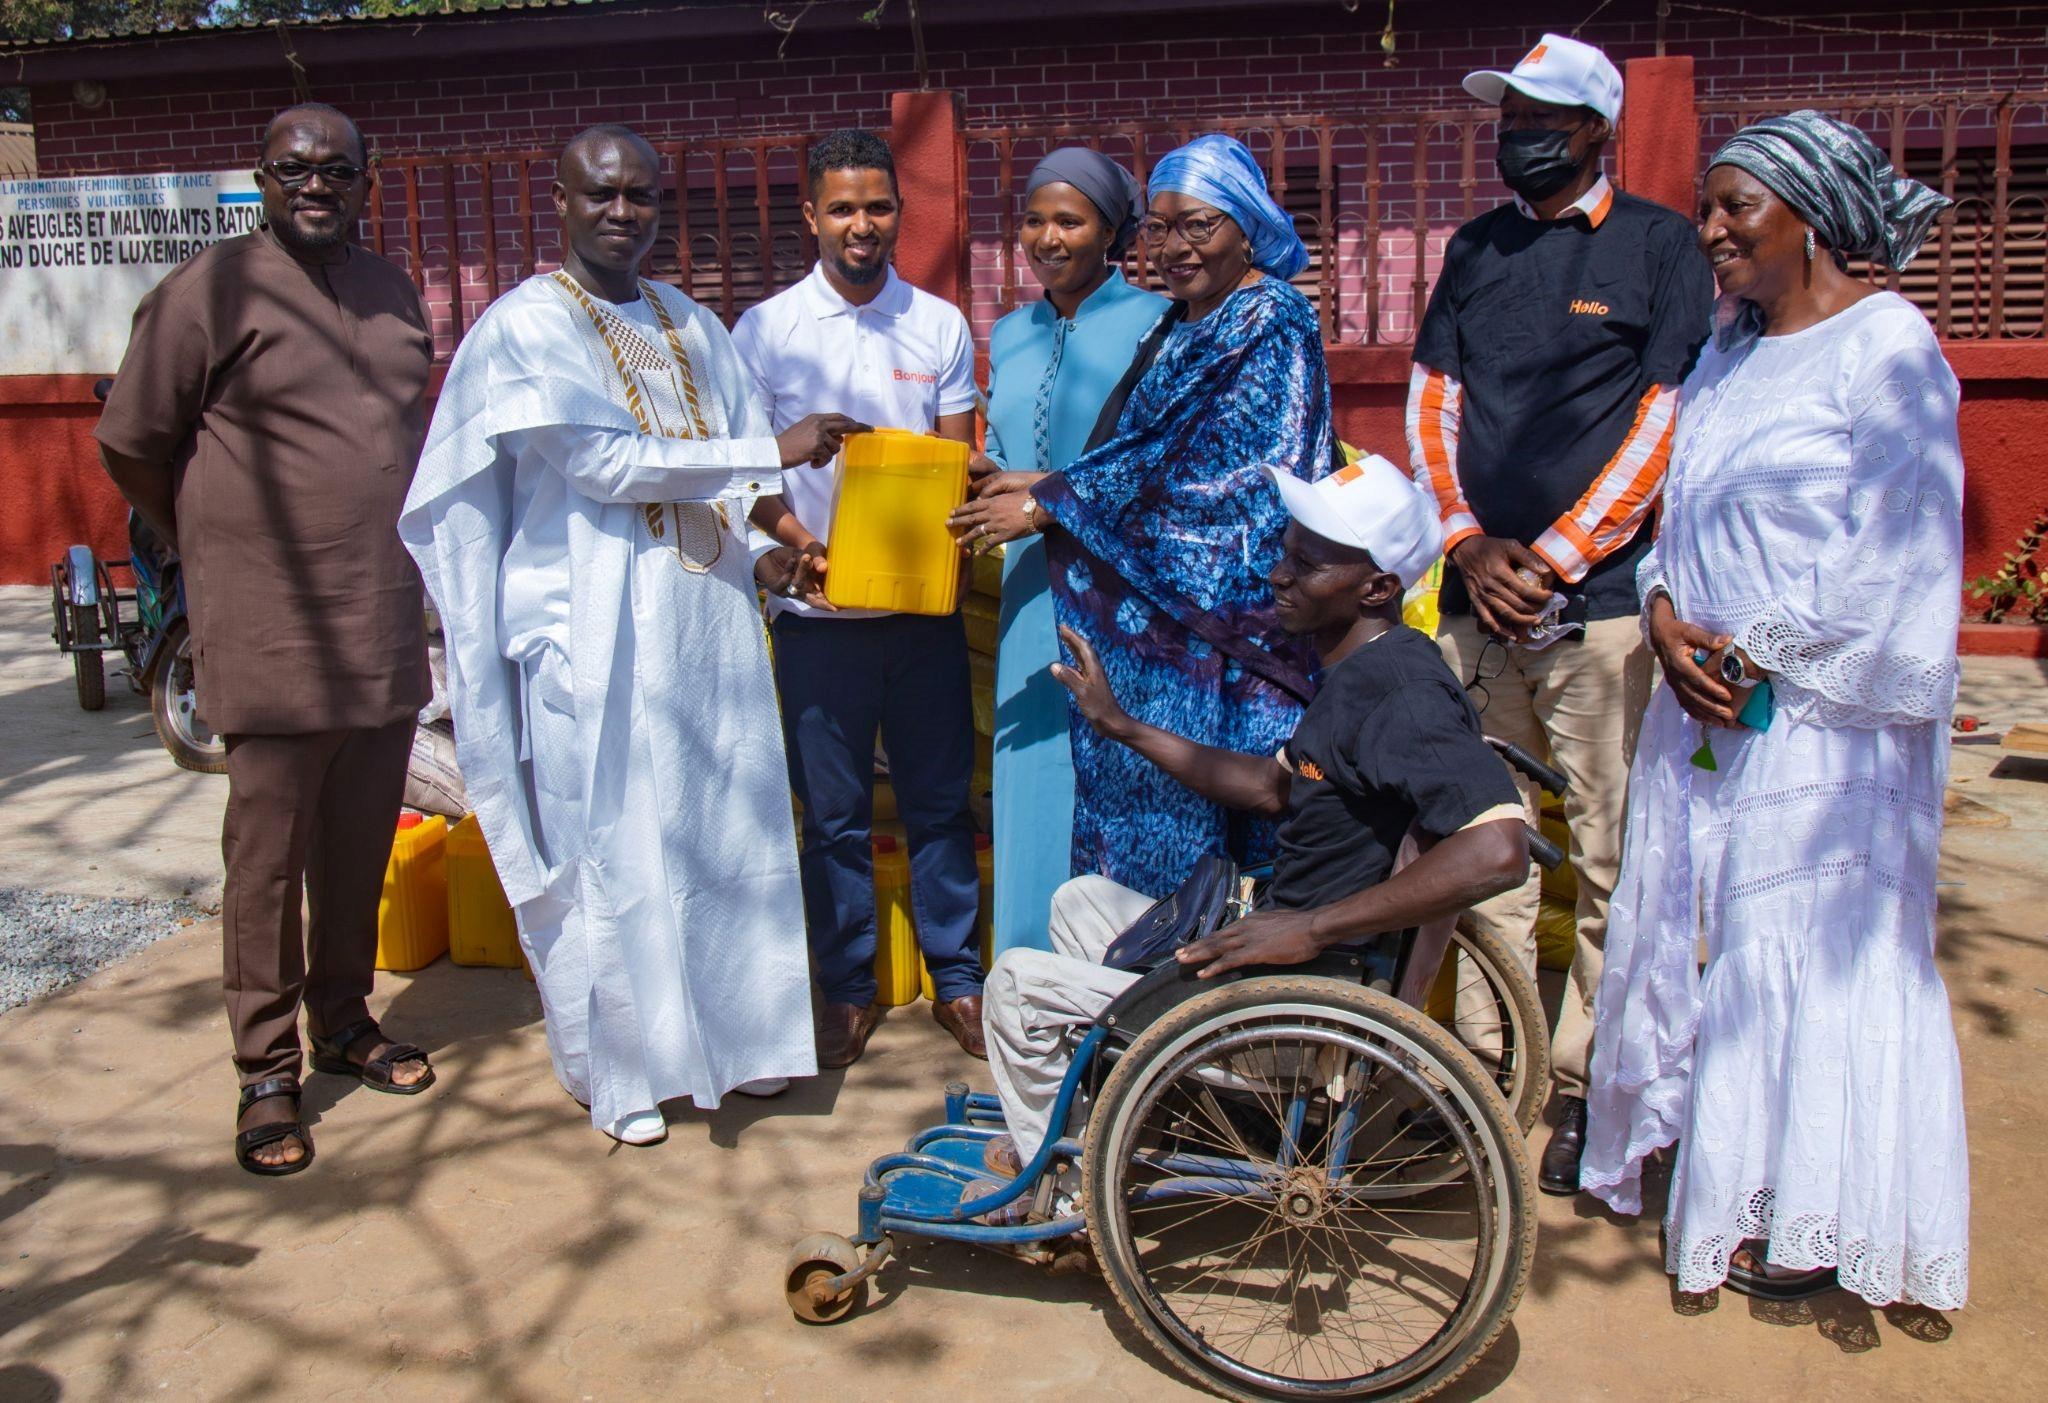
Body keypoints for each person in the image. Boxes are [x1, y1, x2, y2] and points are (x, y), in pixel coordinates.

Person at [400, 125, 855, 1146]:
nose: (622, 212)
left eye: (641, 196)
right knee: (608, 844)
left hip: (703, 628)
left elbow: (731, 487)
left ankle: (739, 1046)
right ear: (558, 201)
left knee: (724, 829)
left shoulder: (692, 323)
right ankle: (623, 1071)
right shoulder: (526, 329)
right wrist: (770, 446)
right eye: (601, 194)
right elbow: (605, 467)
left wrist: (768, 548)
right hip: (593, 628)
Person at [1582, 111, 1967, 1311]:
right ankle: (1730, 1170)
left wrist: (1758, 651)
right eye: (1706, 207)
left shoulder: (1886, 347)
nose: (1708, 232)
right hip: (1703, 700)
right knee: (1716, 947)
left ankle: (1810, 1216)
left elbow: (1896, 549)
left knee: (1808, 953)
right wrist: (1656, 614)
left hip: (1820, 719)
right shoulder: (1724, 353)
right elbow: (1676, 518)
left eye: (1733, 207)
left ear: (1813, 215)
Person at [982, 454, 1528, 1162]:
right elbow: (1275, 787)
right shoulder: (1360, 670)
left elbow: (1499, 848)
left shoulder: (1402, 692)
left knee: (1017, 987)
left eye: (1309, 564)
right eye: (1286, 552)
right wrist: (1123, 725)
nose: (1279, 573)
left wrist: (1311, 926)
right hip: (1285, 964)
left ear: (1378, 586)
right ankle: (1117, 1119)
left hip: (1297, 1004)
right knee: (1079, 900)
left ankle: (1064, 1186)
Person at [95, 104, 436, 1177]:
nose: (317, 184)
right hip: (267, 622)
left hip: (377, 614)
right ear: (262, 176)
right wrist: (205, 543)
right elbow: (136, 446)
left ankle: (343, 1017)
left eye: (338, 168)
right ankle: (263, 1065)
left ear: (365, 179)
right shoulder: (209, 291)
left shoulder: (392, 290)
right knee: (266, 852)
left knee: (359, 836)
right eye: (295, 168)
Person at [1406, 33, 1716, 1194]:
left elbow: (1665, 413)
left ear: (1596, 129)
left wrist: (1552, 554)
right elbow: (1434, 398)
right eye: (1505, 115)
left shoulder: (1657, 246)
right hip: (1473, 604)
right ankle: (1492, 1071)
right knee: (1482, 842)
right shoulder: (1475, 247)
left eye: (1540, 115)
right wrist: (1463, 541)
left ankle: (1588, 1082)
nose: (1514, 133)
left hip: (1592, 614)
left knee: (1607, 851)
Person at [955, 132, 1332, 906]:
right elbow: (1140, 449)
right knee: (1159, 811)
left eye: (1199, 224)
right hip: (1170, 617)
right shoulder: (1190, 321)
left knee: (1220, 821)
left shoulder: (1270, 314)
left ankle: (1210, 1008)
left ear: (1247, 224)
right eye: (1159, 226)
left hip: (1232, 619)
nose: (1174, 246)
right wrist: (1039, 482)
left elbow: (1200, 468)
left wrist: (1048, 501)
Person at [731, 129, 987, 1068]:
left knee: (937, 800)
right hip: (819, 619)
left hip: (922, 614)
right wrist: (802, 548)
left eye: (878, 206)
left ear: (897, 213)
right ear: (811, 215)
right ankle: (845, 988)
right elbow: (746, 469)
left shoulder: (939, 325)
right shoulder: (763, 331)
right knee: (832, 814)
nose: (861, 224)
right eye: (842, 207)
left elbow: (956, 461)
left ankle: (957, 980)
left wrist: (954, 498)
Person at [947, 147, 1170, 960]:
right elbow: (1006, 447)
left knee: (1122, 774)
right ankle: (1028, 979)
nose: (1048, 236)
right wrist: (978, 472)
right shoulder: (1008, 332)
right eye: (1035, 219)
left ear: (1112, 230)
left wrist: (1049, 490)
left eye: (1069, 220)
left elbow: (1161, 460)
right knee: (1034, 772)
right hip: (1030, 589)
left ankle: (1118, 994)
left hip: (1122, 585)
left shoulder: (1159, 322)